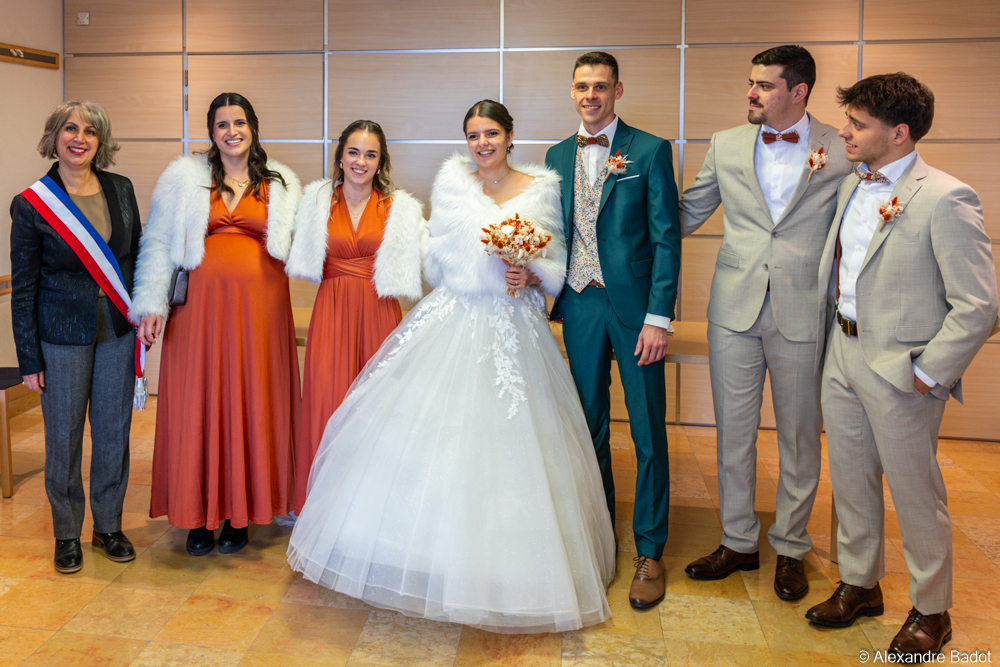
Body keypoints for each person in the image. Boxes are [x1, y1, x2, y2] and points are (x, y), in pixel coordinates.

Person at [287, 100, 615, 633]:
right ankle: (425, 559)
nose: (482, 143)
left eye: (491, 133)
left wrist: (531, 273)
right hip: (456, 314)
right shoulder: (451, 185)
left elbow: (557, 259)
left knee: (511, 441)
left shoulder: (541, 188)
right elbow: (435, 259)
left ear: (510, 135)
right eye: (474, 135)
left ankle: (507, 567)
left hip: (513, 323)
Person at [804, 73, 998, 659]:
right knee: (851, 479)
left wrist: (930, 372)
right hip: (842, 351)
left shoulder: (946, 196)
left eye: (858, 124)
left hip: (903, 369)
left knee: (915, 492)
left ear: (899, 133)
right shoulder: (850, 184)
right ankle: (860, 584)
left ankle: (932, 610)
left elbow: (979, 305)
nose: (844, 133)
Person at [679, 45, 853, 600]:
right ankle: (738, 541)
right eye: (751, 82)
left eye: (764, 85)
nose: (751, 92)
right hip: (734, 307)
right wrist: (618, 225)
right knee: (733, 431)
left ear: (798, 91)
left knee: (800, 435)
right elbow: (686, 212)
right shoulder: (726, 143)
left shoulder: (841, 147)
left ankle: (792, 547)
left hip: (805, 307)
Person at [131, 92, 303, 556]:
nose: (232, 132)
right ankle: (198, 516)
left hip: (261, 313)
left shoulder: (282, 182)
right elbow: (158, 241)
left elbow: (308, 243)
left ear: (253, 127)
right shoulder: (184, 178)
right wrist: (151, 303)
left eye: (239, 122)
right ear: (211, 132)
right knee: (200, 402)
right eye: (222, 124)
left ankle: (239, 515)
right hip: (199, 313)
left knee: (251, 401)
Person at [545, 51, 680, 609]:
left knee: (648, 430)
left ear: (618, 90)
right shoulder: (556, 155)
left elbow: (667, 237)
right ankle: (600, 537)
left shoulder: (649, 150)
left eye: (600, 86)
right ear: (572, 91)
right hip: (580, 304)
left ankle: (650, 549)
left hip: (636, 310)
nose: (591, 96)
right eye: (582, 86)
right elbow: (554, 231)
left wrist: (658, 317)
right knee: (588, 426)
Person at [10, 100, 142, 573]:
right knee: (63, 437)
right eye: (70, 129)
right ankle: (66, 533)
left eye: (90, 131)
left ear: (100, 141)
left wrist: (148, 307)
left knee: (113, 431)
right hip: (60, 336)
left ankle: (108, 526)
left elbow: (135, 256)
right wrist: (29, 359)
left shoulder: (121, 189)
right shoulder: (32, 203)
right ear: (55, 136)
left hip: (117, 331)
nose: (80, 138)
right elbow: (24, 287)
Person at [285, 120, 424, 514]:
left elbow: (433, 254)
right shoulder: (316, 201)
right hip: (332, 310)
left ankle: (373, 506)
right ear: (341, 156)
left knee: (377, 403)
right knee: (327, 399)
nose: (361, 161)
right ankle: (322, 504)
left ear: (381, 162)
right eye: (354, 152)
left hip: (379, 310)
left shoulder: (399, 207)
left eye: (370, 154)